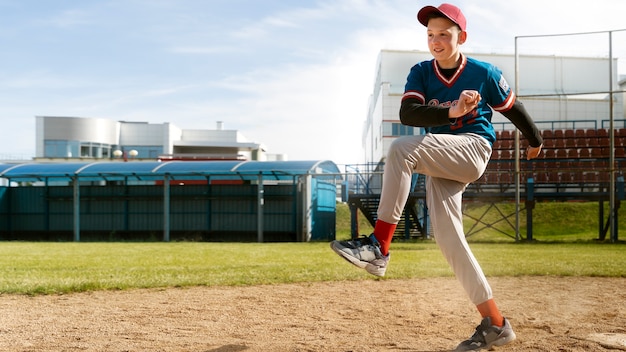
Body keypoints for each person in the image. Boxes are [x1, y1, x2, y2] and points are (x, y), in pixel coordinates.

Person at [330, 3, 543, 351]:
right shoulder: (421, 72)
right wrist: (451, 109)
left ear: (462, 36)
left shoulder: (483, 72)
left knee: (401, 149)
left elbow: (512, 107)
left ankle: (378, 247)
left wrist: (535, 140)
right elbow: (408, 111)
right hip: (441, 155)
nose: (436, 40)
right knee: (447, 237)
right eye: (430, 34)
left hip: (472, 149)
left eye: (444, 33)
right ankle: (496, 323)